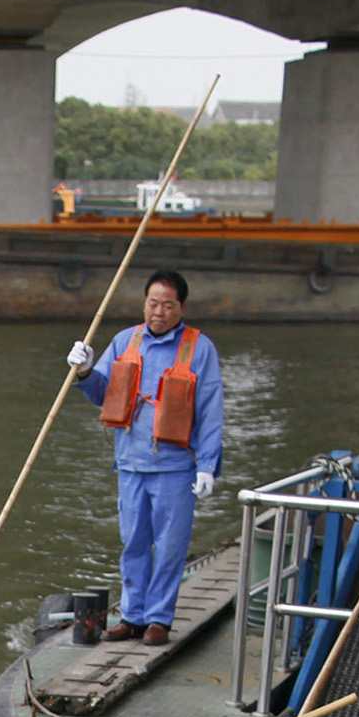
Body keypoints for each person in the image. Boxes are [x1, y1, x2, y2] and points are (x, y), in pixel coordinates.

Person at [67, 271, 224, 647]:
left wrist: (207, 465)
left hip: (175, 466)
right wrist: (85, 369)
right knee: (133, 542)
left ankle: (159, 618)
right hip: (131, 463)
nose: (159, 311)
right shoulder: (125, 341)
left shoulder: (199, 348)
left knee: (170, 545)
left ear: (180, 308)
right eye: (153, 303)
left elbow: (210, 408)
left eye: (168, 304)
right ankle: (133, 615)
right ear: (144, 304)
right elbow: (101, 392)